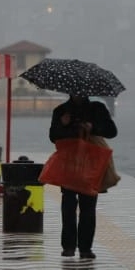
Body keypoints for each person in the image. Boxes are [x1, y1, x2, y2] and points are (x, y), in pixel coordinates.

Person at [48, 94, 118, 259]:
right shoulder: (61, 111)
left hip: (91, 163)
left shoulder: (97, 109)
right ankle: (68, 246)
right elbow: (53, 136)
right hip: (69, 162)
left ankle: (86, 248)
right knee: (68, 205)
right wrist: (63, 125)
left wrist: (92, 128)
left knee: (88, 206)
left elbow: (111, 131)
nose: (78, 93)